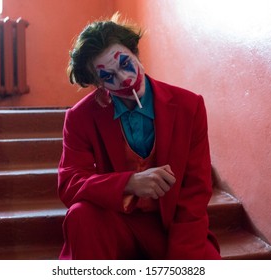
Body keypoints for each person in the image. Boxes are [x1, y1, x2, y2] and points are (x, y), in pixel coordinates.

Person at [57, 13, 221, 260]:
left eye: (125, 63)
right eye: (108, 76)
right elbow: (69, 184)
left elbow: (196, 190)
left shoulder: (190, 106)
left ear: (136, 53)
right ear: (97, 84)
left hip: (171, 228)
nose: (124, 79)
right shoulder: (80, 117)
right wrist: (128, 183)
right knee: (81, 214)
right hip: (114, 223)